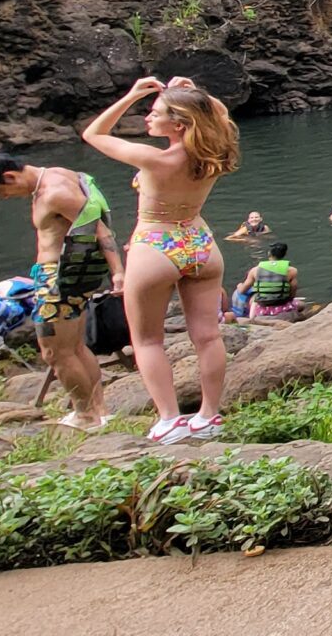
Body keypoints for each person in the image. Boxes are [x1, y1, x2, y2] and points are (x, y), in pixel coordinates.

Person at [84, 75, 241, 446]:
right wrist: (196, 92)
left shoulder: (155, 159)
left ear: (180, 124)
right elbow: (219, 114)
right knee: (208, 335)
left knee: (147, 341)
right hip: (200, 244)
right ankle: (209, 415)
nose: (147, 118)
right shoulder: (215, 152)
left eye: (155, 113)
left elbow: (93, 133)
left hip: (155, 245)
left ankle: (170, 419)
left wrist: (130, 95)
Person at [0, 153, 123, 429]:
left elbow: (101, 231)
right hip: (69, 276)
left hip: (59, 279)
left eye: (2, 191)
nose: (5, 198)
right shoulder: (59, 173)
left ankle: (86, 415)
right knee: (75, 347)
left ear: (9, 177)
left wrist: (118, 273)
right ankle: (99, 410)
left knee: (55, 352)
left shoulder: (55, 194)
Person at [232, 242, 301, 319]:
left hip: (262, 309)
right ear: (284, 254)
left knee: (254, 297)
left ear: (269, 253)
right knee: (302, 305)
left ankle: (252, 318)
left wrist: (239, 286)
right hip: (283, 306)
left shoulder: (255, 270)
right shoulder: (292, 271)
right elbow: (293, 292)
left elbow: (242, 291)